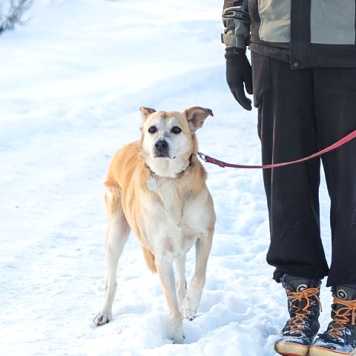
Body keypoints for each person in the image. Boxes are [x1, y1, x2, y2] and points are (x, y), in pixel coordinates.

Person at [221, 1, 356, 355]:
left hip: (348, 58)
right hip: (275, 57)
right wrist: (235, 49)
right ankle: (301, 299)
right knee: (286, 187)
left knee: (354, 189)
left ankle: (349, 306)